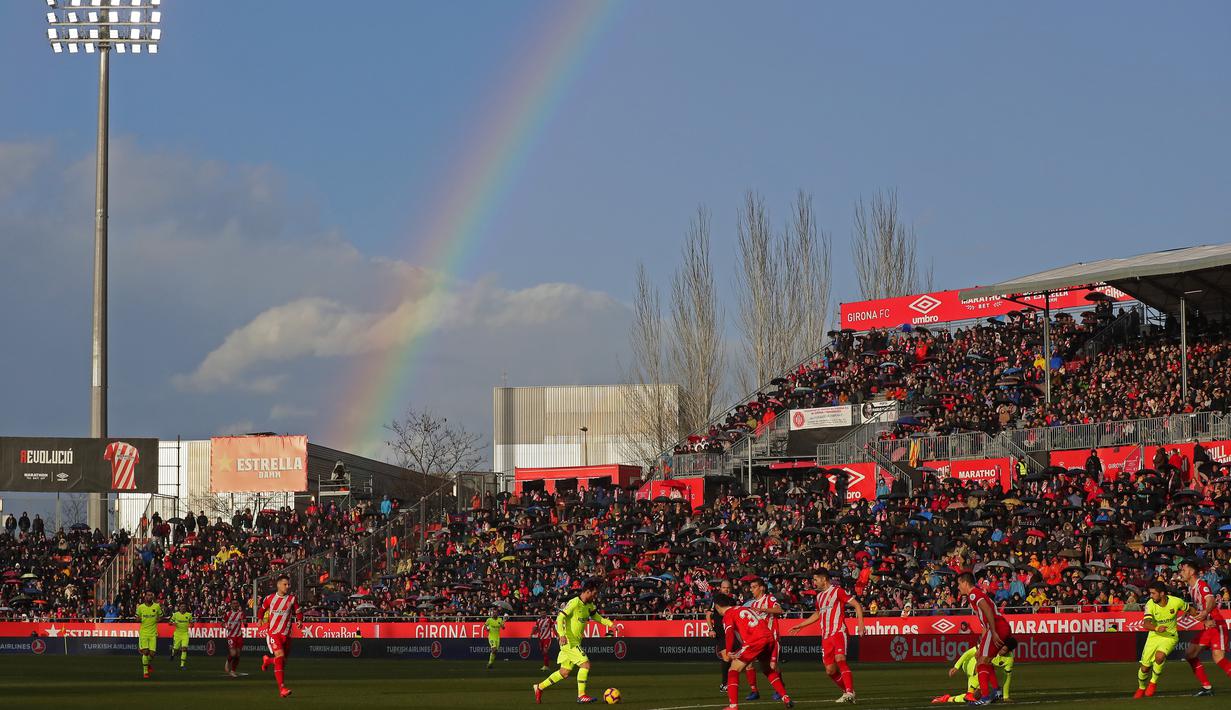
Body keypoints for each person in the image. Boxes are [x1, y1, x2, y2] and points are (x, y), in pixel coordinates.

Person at [788, 569, 865, 704]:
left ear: (824, 579)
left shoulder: (838, 591)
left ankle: (849, 691)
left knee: (840, 659)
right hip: (826, 636)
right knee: (830, 670)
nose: (814, 582)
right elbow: (818, 614)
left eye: (816, 579)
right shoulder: (819, 597)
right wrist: (801, 625)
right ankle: (848, 692)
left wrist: (861, 624)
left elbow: (856, 605)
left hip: (838, 631)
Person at [533, 579, 616, 704]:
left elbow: (596, 617)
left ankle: (539, 687)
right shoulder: (574, 602)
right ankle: (581, 695)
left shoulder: (589, 605)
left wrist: (610, 624)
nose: (595, 596)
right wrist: (561, 635)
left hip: (576, 642)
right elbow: (560, 617)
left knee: (564, 672)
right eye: (594, 593)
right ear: (587, 591)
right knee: (585, 664)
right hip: (569, 642)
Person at [713, 592, 793, 710]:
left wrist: (729, 651)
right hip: (768, 637)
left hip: (755, 641)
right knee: (767, 669)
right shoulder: (743, 608)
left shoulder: (728, 614)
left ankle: (733, 706)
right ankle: (785, 697)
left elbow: (729, 633)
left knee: (733, 669)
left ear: (717, 606)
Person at [957, 572, 1011, 706]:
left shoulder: (973, 594)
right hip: (998, 627)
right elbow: (985, 623)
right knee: (983, 658)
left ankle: (986, 697)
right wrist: (981, 645)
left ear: (965, 583)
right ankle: (997, 691)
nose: (958, 587)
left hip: (997, 627)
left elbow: (987, 610)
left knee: (981, 662)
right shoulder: (975, 595)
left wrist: (994, 631)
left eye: (959, 584)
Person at [1180, 559, 1231, 696]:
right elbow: (1201, 606)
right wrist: (1191, 612)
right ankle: (1207, 688)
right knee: (1190, 654)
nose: (1181, 573)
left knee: (1218, 658)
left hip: (1216, 624)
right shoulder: (1191, 587)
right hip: (1208, 626)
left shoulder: (1201, 585)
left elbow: (1211, 600)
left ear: (1191, 572)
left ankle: (1207, 688)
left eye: (1183, 570)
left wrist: (1205, 612)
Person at [1134, 581, 1190, 698]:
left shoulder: (1176, 601)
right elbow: (1145, 624)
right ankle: (1141, 687)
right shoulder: (1150, 604)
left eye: (1153, 593)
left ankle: (1153, 682)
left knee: (1160, 657)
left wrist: (1203, 619)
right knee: (1145, 668)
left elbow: (1190, 609)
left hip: (1170, 636)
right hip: (1154, 636)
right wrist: (1157, 628)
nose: (1151, 595)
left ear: (1162, 594)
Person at [932, 639, 1017, 704]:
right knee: (983, 668)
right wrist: (956, 667)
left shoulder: (1009, 660)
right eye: (1001, 648)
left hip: (982, 669)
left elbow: (1007, 677)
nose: (1000, 651)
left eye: (1004, 650)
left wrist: (1006, 696)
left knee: (976, 697)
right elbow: (968, 653)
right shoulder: (991, 645)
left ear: (1009, 651)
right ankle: (969, 692)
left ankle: (947, 699)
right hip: (970, 663)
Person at [744, 577, 788, 702]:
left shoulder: (769, 598)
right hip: (758, 639)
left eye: (754, 587)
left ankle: (780, 688)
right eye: (751, 587)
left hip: (772, 637)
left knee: (772, 666)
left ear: (762, 587)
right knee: (748, 663)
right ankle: (754, 691)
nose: (751, 590)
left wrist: (763, 609)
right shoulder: (753, 604)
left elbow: (779, 610)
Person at [259, 574, 301, 698]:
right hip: (273, 633)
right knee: (280, 657)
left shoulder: (292, 599)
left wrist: (299, 620)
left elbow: (298, 611)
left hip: (286, 635)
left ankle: (267, 660)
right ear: (278, 585)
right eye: (285, 584)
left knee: (282, 662)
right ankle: (282, 688)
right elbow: (261, 610)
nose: (287, 586)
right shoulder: (269, 598)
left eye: (288, 584)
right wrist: (260, 619)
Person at [708, 580, 734, 693]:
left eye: (728, 588)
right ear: (721, 588)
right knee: (726, 657)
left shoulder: (733, 601)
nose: (726, 589)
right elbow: (708, 615)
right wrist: (711, 629)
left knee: (732, 658)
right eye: (724, 588)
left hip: (731, 631)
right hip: (720, 631)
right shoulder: (716, 599)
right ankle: (724, 684)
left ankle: (729, 683)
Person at [135, 591, 163, 679]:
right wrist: (138, 619)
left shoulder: (157, 606)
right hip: (144, 633)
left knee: (152, 654)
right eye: (148, 595)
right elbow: (136, 618)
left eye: (151, 595)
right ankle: (145, 672)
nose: (150, 596)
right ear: (145, 596)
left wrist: (159, 619)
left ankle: (147, 664)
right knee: (146, 652)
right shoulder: (140, 607)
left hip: (153, 633)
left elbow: (161, 616)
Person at [222, 599, 247, 678]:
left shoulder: (241, 613)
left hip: (239, 636)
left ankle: (233, 671)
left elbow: (245, 624)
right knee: (233, 653)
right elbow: (222, 623)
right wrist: (226, 626)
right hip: (231, 636)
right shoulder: (227, 614)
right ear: (231, 605)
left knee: (238, 655)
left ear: (238, 604)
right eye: (234, 603)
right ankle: (227, 662)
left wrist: (245, 623)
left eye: (236, 603)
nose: (235, 605)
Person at [170, 602, 193, 670]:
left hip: (185, 634)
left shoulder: (189, 615)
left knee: (184, 649)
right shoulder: (175, 614)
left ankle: (182, 665)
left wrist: (191, 625)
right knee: (176, 649)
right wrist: (173, 623)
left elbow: (192, 623)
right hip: (177, 634)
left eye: (184, 606)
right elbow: (170, 622)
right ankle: (172, 655)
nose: (183, 607)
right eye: (182, 606)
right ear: (179, 607)